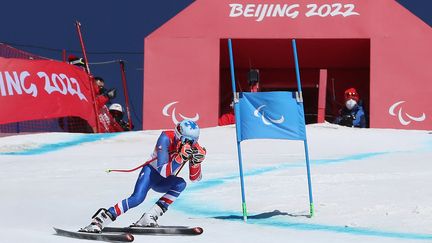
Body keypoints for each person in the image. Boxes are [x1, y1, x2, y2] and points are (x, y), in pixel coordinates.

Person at [81, 120, 207, 233]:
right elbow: (163, 171)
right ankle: (100, 220)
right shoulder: (165, 138)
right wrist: (180, 158)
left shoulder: (192, 147)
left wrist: (196, 163)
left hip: (163, 179)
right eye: (186, 140)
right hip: (150, 173)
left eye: (193, 141)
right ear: (178, 135)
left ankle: (150, 216)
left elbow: (195, 179)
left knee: (181, 184)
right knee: (137, 198)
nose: (190, 143)